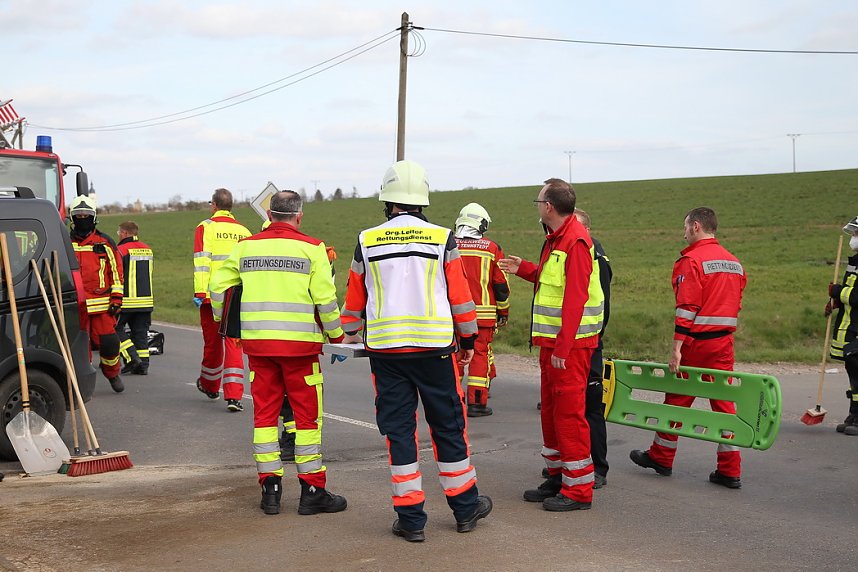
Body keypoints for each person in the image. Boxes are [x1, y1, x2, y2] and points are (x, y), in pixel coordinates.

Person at [341, 160, 492, 542]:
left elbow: (354, 300)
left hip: (387, 354)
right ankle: (464, 508)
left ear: (387, 200)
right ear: (422, 199)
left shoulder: (367, 239)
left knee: (400, 433)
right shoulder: (443, 238)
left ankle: (410, 520)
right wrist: (470, 340)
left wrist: (348, 333)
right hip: (436, 351)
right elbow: (460, 297)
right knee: (448, 427)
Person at [209, 190, 348, 516]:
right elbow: (325, 299)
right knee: (307, 420)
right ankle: (312, 490)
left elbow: (217, 288)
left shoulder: (245, 247)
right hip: (300, 349)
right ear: (299, 216)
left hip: (259, 348)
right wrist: (337, 337)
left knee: (265, 417)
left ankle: (270, 489)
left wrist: (224, 320)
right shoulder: (312, 248)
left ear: (269, 215)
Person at [498, 178, 603, 512]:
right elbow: (552, 281)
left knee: (570, 415)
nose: (537, 206)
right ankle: (558, 478)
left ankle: (579, 491)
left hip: (569, 348)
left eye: (538, 201)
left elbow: (575, 299)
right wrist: (525, 270)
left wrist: (563, 348)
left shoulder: (575, 241)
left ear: (549, 207)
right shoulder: (557, 239)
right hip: (553, 345)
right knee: (552, 413)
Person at [629, 207, 747, 488]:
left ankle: (662, 456)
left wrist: (676, 348)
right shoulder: (734, 263)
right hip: (723, 344)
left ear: (696, 226)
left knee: (678, 399)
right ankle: (730, 470)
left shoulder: (691, 260)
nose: (683, 232)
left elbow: (687, 308)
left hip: (696, 343)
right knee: (723, 404)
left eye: (685, 227)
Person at [193, 188, 251, 412]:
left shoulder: (205, 227)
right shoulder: (245, 231)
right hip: (236, 295)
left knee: (212, 343)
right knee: (234, 341)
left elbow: (201, 262)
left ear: (214, 205)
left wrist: (200, 293)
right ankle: (234, 396)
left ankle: (209, 385)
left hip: (211, 295)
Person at [452, 202, 510, 417]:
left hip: (454, 315)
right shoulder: (491, 248)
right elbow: (501, 286)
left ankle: (453, 401)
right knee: (479, 356)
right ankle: (477, 403)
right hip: (482, 318)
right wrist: (503, 311)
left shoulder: (449, 245)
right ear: (481, 225)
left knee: (455, 356)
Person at [68, 195, 125, 393]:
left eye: (86, 215)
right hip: (76, 306)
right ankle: (84, 382)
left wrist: (117, 299)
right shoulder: (65, 242)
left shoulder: (105, 242)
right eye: (78, 215)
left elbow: (116, 272)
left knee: (109, 344)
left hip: (102, 305)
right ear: (72, 218)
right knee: (80, 348)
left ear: (94, 217)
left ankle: (112, 372)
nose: (82, 218)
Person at [827, 216, 858, 436]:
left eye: (856, 234)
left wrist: (838, 292)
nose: (853, 238)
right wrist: (833, 302)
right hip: (849, 326)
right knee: (852, 372)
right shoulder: (854, 262)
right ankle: (854, 413)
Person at [115, 221, 154, 376]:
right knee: (141, 333)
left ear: (124, 233)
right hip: (146, 300)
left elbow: (117, 274)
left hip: (127, 301)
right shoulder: (148, 249)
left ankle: (132, 357)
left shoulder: (120, 250)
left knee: (115, 329)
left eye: (119, 232)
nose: (118, 235)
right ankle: (143, 366)